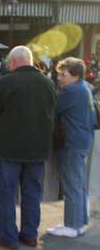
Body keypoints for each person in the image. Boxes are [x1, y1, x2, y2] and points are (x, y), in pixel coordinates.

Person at [0, 46, 57, 250]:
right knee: (32, 193)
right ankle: (30, 236)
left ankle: (8, 237)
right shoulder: (48, 83)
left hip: (9, 149)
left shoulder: (6, 82)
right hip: (38, 149)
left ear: (13, 62)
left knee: (6, 193)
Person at [47, 57, 96, 238]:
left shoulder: (71, 90)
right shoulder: (84, 88)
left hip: (71, 142)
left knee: (72, 184)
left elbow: (52, 108)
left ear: (74, 75)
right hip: (82, 140)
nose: (60, 78)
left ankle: (72, 226)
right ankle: (79, 223)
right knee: (79, 183)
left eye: (63, 74)